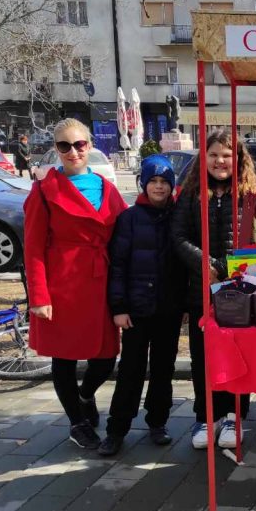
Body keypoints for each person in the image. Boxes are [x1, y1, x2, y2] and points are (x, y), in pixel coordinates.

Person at [24, 118, 128, 449]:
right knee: (64, 357)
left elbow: (126, 234)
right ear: (56, 149)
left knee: (106, 356)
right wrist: (39, 296)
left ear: (90, 145)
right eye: (64, 146)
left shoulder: (107, 188)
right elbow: (33, 247)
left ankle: (85, 395)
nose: (73, 152)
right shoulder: (44, 191)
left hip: (101, 282)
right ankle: (77, 422)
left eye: (79, 144)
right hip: (62, 286)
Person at [172, 131, 256, 449]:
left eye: (227, 155)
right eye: (214, 154)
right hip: (201, 287)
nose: (220, 161)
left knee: (238, 355)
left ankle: (234, 415)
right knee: (203, 356)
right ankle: (206, 416)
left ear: (238, 159)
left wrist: (237, 261)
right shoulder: (191, 193)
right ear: (204, 158)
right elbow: (178, 235)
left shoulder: (252, 192)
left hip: (240, 288)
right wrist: (205, 263)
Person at [99, 156, 185, 456]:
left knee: (163, 368)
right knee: (130, 370)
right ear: (143, 184)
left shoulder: (178, 217)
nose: (159, 187)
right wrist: (118, 307)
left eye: (164, 182)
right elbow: (118, 266)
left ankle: (158, 421)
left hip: (168, 308)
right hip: (136, 309)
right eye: (153, 182)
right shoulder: (129, 218)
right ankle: (117, 428)